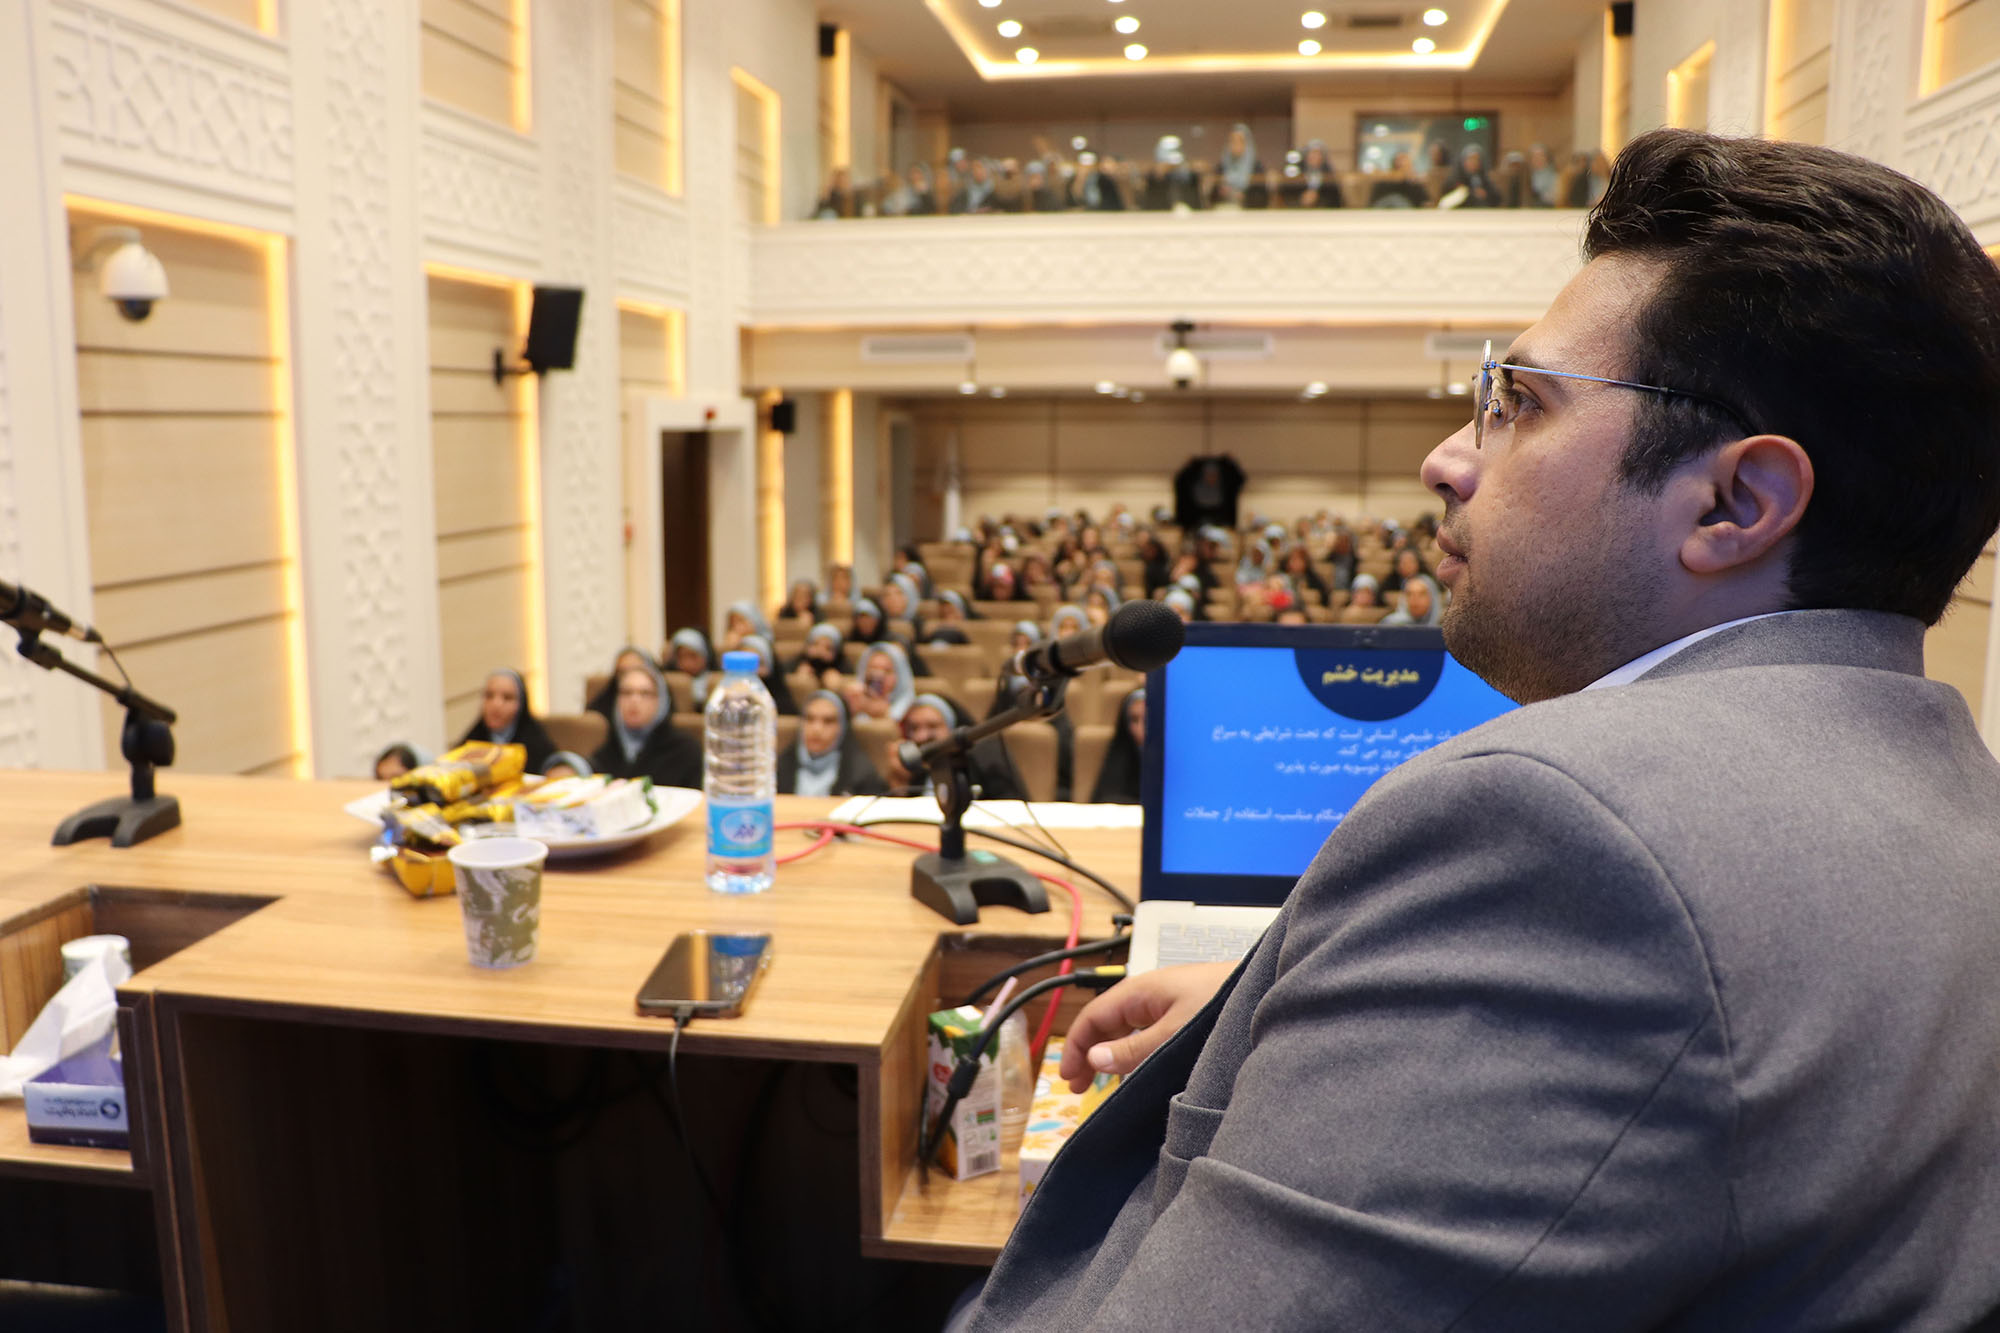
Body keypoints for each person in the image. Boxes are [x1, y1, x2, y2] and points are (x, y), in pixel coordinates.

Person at [963, 128, 2000, 1329]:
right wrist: (1289, 1016)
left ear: (1733, 500)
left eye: (1517, 403)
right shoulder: (1953, 797)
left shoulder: (1556, 831)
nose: (1444, 460)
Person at [882, 694, 1024, 799]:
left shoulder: (985, 759)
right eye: (914, 728)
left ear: (952, 728)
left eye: (932, 726)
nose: (921, 736)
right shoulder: (913, 766)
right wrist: (899, 783)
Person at [588, 660, 700, 788]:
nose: (634, 700)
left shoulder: (686, 752)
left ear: (661, 701)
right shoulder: (607, 750)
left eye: (645, 693)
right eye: (626, 693)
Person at [775, 691, 886, 798]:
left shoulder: (861, 775)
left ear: (842, 728)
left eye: (828, 721)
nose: (816, 729)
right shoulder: (778, 769)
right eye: (809, 719)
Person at [456, 668, 554, 773]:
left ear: (521, 704)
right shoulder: (474, 737)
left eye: (507, 698)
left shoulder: (534, 739)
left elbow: (555, 763)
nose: (496, 704)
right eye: (489, 696)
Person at [1087, 686, 1145, 804]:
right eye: (1134, 720)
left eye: (1148, 720)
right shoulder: (1119, 756)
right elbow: (1106, 801)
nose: (1140, 729)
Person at [843, 641, 916, 722]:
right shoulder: (855, 698)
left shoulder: (911, 709)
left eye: (887, 671)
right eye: (873, 668)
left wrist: (886, 713)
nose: (879, 676)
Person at [1173, 454, 1246, 530]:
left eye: (1214, 475)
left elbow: (1240, 479)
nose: (1211, 478)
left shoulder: (1225, 492)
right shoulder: (1192, 490)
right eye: (1209, 475)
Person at [736, 634, 798, 716]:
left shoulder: (782, 704)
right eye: (744, 664)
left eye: (759, 663)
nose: (751, 671)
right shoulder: (726, 696)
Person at [1210, 124, 1262, 208]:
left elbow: (1260, 196)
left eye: (1240, 141)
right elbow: (1213, 195)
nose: (1236, 145)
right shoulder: (1222, 166)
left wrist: (1244, 196)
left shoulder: (1256, 167)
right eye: (1233, 141)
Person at [1445, 143, 1501, 208]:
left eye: (1476, 159)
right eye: (1470, 159)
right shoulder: (1455, 178)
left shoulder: (1483, 178)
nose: (1473, 162)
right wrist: (1472, 193)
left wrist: (1486, 194)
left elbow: (1497, 197)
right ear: (1463, 161)